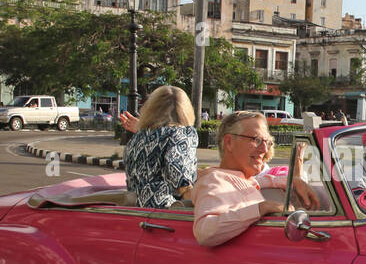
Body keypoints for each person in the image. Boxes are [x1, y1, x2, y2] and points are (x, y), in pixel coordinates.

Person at [191, 111, 317, 247]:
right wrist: (263, 207)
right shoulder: (214, 180)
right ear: (229, 142)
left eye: (267, 142)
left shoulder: (239, 179)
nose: (264, 149)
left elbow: (260, 181)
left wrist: (293, 181)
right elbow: (204, 232)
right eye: (256, 140)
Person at [118, 85, 198, 209]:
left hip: (137, 210)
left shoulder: (137, 137)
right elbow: (178, 173)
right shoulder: (182, 134)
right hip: (166, 211)